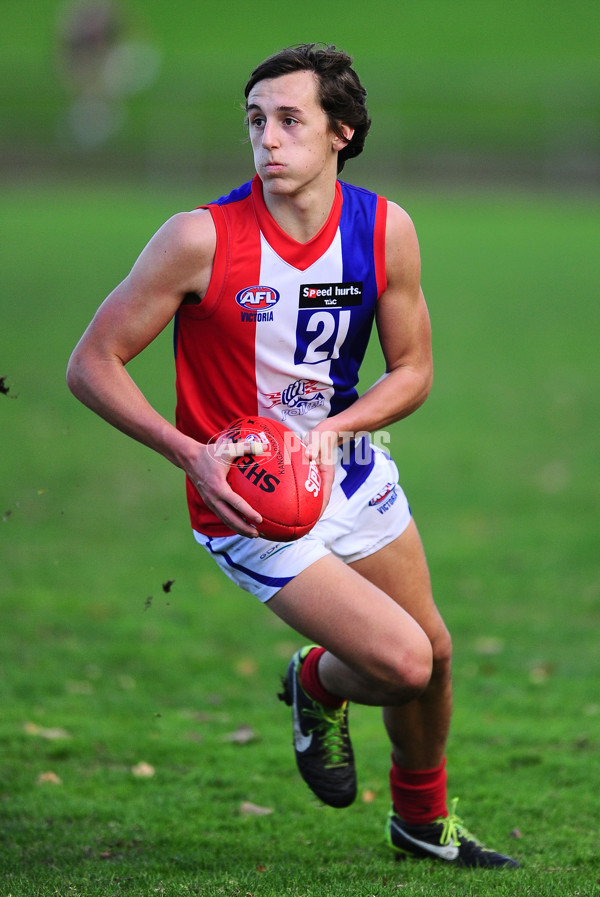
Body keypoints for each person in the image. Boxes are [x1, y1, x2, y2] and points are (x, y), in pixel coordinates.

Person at [67, 43, 519, 868]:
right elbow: (90, 363)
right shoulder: (198, 239)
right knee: (404, 661)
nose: (267, 139)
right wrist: (190, 454)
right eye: (254, 121)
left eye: (288, 120)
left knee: (437, 651)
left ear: (340, 132)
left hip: (347, 467)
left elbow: (413, 369)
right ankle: (316, 682)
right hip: (250, 498)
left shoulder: (385, 229)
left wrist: (336, 431)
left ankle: (421, 820)